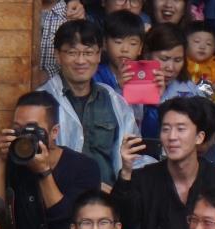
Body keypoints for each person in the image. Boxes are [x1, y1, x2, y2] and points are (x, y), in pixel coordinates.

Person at [0, 91, 101, 229]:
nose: (24, 136)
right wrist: (1, 160)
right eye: (18, 129)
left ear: (54, 132)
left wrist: (44, 172)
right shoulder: (14, 163)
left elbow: (71, 227)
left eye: (32, 129)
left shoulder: (84, 167)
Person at [116, 98, 215, 229]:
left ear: (199, 137)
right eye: (166, 129)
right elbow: (124, 223)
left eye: (181, 129)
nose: (172, 137)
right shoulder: (143, 178)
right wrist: (126, 171)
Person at [41, 19, 145, 190]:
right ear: (57, 55)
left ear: (98, 55)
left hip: (110, 200)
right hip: (59, 199)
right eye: (72, 53)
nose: (81, 61)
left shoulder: (115, 101)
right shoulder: (42, 100)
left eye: (88, 53)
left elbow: (134, 156)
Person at [138, 24, 201, 139]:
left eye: (178, 60)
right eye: (164, 59)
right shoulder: (134, 86)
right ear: (147, 55)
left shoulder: (189, 89)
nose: (170, 67)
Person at [94, 11, 147, 94]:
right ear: (104, 43)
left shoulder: (145, 76)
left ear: (140, 48)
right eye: (118, 42)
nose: (125, 49)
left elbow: (147, 106)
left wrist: (157, 96)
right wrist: (118, 87)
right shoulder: (95, 75)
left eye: (133, 43)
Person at [41, 1, 88, 79]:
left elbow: (79, 60)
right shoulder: (19, 11)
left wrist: (46, 74)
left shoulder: (73, 15)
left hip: (59, 88)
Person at [187, 20, 215, 87]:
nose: (202, 47)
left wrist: (212, 85)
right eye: (197, 41)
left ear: (214, 49)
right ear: (185, 44)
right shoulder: (181, 62)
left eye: (208, 44)